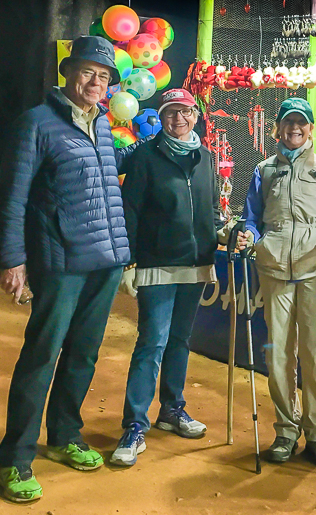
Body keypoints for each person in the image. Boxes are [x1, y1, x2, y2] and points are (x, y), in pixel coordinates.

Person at [0, 36, 149, 503]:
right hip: (60, 262)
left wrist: (123, 254)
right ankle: (15, 457)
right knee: (41, 356)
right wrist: (13, 260)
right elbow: (14, 198)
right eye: (88, 72)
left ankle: (65, 435)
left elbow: (108, 192)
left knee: (84, 354)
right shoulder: (37, 123)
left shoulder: (103, 126)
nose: (95, 82)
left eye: (104, 77)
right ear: (68, 73)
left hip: (105, 262)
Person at [110, 88, 223, 467]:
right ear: (162, 117)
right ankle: (134, 424)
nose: (180, 119)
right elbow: (131, 210)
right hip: (157, 264)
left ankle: (172, 410)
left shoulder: (205, 156)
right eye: (172, 113)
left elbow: (210, 206)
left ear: (195, 116)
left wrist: (221, 232)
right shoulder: (144, 155)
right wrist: (130, 263)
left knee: (179, 341)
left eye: (186, 113)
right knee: (151, 343)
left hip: (195, 264)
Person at [239, 97, 316, 465]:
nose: (295, 129)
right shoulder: (264, 169)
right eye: (288, 122)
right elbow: (252, 217)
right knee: (278, 357)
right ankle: (286, 431)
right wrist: (249, 236)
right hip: (273, 269)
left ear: (310, 128)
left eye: (301, 122)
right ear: (278, 127)